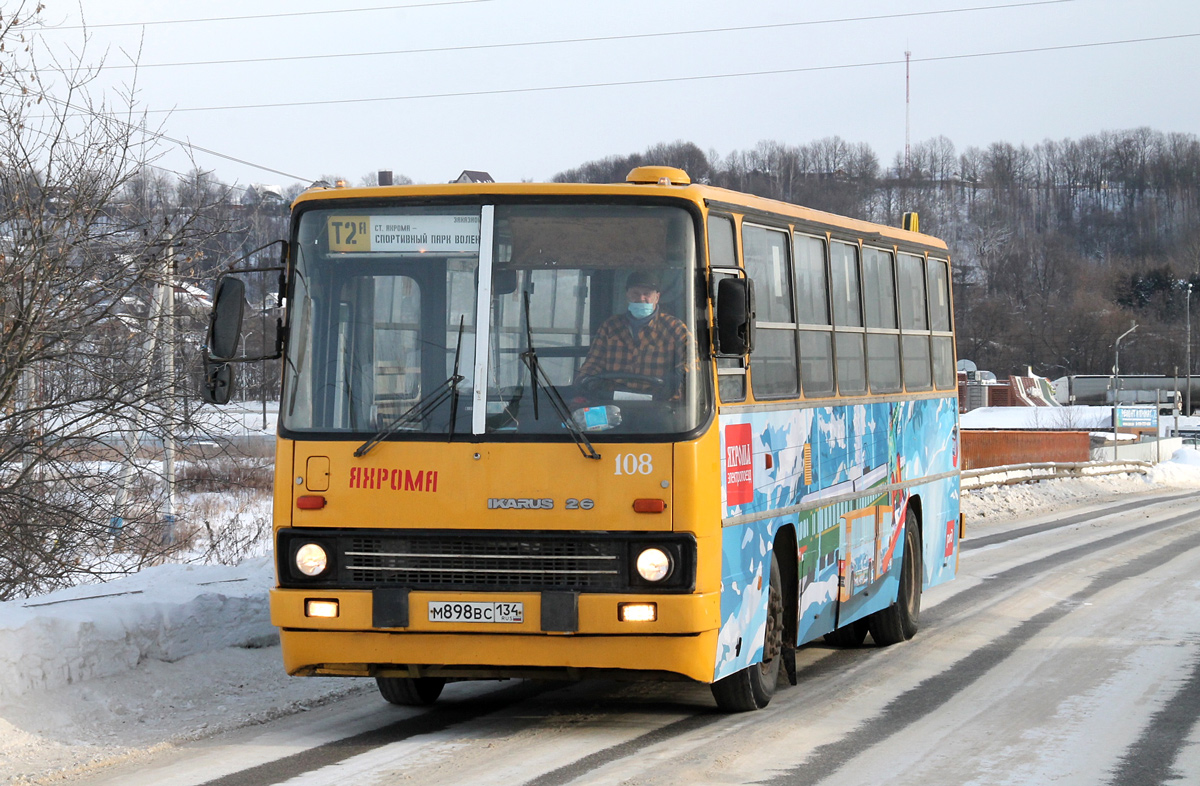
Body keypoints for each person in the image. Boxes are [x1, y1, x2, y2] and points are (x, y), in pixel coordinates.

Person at [577, 270, 693, 400]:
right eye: (635, 293)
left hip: (659, 403)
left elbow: (692, 364)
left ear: (657, 297)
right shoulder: (610, 326)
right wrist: (585, 383)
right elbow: (593, 363)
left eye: (647, 294)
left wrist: (673, 382)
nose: (641, 298)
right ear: (627, 295)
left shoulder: (675, 329)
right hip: (613, 401)